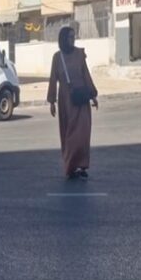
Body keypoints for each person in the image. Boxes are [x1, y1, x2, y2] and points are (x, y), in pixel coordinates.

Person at [47, 27, 99, 180]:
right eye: (70, 37)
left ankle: (82, 165)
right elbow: (53, 79)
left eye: (73, 36)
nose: (73, 39)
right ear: (63, 39)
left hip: (81, 99)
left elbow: (85, 74)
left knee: (83, 134)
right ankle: (70, 166)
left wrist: (93, 95)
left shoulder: (79, 55)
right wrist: (52, 101)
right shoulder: (57, 57)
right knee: (69, 135)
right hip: (66, 101)